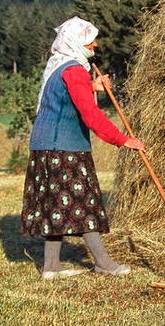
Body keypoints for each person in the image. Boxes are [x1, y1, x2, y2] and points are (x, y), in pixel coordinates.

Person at [20, 16, 146, 280]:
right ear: (77, 42)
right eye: (90, 42)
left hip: (45, 145)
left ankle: (51, 266)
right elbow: (90, 114)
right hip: (63, 148)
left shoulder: (60, 67)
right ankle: (103, 263)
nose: (95, 46)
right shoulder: (75, 70)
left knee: (56, 204)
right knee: (84, 204)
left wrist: (92, 86)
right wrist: (123, 140)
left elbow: (67, 94)